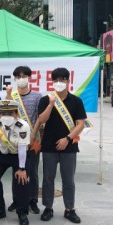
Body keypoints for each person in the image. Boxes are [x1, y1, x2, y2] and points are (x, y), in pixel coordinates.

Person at [37, 68, 86, 224]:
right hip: (49, 146)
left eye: (63, 79)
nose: (59, 83)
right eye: (56, 80)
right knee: (48, 178)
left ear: (68, 81)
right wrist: (51, 104)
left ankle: (69, 209)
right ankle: (48, 207)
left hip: (69, 146)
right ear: (52, 82)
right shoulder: (46, 100)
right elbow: (42, 120)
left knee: (68, 180)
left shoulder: (76, 101)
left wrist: (68, 138)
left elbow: (81, 124)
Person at [0, 100, 31, 225]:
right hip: (1, 154)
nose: (6, 116)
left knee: (21, 180)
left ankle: (22, 212)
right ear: (0, 114)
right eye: (3, 113)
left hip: (18, 155)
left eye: (10, 113)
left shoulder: (23, 126)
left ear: (16, 113)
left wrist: (22, 168)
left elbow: (22, 149)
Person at [6, 66, 42, 214]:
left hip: (33, 138)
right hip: (16, 139)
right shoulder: (11, 95)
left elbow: (39, 118)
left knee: (32, 171)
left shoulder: (37, 96)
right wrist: (8, 95)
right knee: (17, 170)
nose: (21, 79)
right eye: (18, 77)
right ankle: (17, 199)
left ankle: (33, 200)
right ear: (15, 79)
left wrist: (33, 135)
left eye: (24, 76)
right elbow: (8, 114)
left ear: (29, 78)